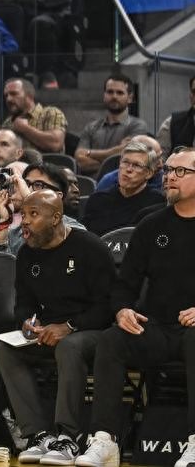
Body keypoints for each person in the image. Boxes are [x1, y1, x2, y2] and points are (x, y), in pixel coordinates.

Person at [75, 147, 195, 467]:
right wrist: (122, 310)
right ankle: (105, 440)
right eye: (168, 170)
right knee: (112, 340)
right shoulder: (151, 224)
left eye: (181, 172)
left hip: (193, 331)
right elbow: (125, 284)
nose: (170, 177)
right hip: (156, 326)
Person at [0, 191, 115, 467]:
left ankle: (68, 436)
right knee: (5, 350)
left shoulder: (91, 248)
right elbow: (23, 303)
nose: (25, 222)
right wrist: (27, 322)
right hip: (49, 331)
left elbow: (109, 305)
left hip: (94, 331)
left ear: (56, 218)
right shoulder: (27, 253)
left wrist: (70, 326)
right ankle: (38, 435)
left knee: (69, 346)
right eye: (23, 214)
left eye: (34, 215)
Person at [73, 76, 150, 177]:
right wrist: (115, 153)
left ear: (130, 98)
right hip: (92, 187)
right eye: (110, 92)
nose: (114, 96)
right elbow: (79, 161)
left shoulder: (138, 126)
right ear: (104, 95)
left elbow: (131, 160)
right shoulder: (91, 127)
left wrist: (88, 153)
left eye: (119, 93)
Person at [2, 79, 68, 156]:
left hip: (47, 166)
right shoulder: (8, 123)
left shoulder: (51, 113)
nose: (8, 99)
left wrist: (25, 129)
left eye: (14, 94)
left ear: (29, 96)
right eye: (6, 95)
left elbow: (55, 144)